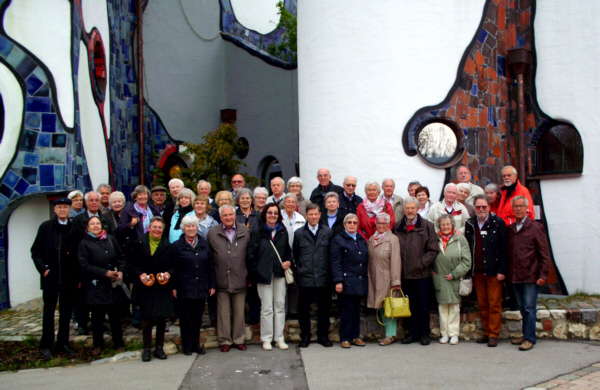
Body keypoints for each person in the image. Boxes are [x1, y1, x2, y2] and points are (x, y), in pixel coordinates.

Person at [31, 197, 78, 360]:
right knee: (49, 312)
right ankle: (46, 345)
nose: (63, 210)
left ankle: (63, 343)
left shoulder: (73, 228)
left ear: (69, 209)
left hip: (68, 278)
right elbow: (35, 252)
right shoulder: (45, 227)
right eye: (60, 207)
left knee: (66, 312)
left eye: (66, 207)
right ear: (55, 210)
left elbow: (78, 254)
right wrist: (43, 269)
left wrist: (76, 276)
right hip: (50, 277)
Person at [128, 217, 176, 361]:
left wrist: (168, 274)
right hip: (145, 286)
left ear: (163, 229)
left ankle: (159, 348)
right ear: (149, 228)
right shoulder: (139, 243)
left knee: (162, 319)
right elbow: (132, 265)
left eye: (160, 227)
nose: (157, 230)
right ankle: (147, 349)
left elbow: (174, 266)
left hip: (162, 286)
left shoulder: (168, 245)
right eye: (154, 227)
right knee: (147, 319)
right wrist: (140, 274)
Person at [247, 203, 294, 351]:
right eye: (270, 213)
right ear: (265, 214)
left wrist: (289, 262)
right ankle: (266, 339)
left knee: (280, 306)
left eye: (275, 213)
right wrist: (257, 271)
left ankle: (279, 338)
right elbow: (251, 255)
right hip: (264, 274)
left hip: (279, 273)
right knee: (266, 308)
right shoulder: (258, 232)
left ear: (278, 216)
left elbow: (288, 252)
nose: (272, 215)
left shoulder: (283, 231)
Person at [393, 197, 439, 346]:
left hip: (421, 274)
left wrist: (421, 264)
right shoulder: (397, 226)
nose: (410, 211)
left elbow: (433, 249)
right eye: (408, 208)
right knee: (409, 306)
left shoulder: (427, 226)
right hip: (405, 274)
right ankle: (412, 333)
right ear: (404, 210)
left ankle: (424, 333)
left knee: (423, 305)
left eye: (413, 208)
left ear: (418, 208)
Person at [78, 216, 126, 356]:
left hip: (112, 286)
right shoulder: (84, 244)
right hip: (95, 286)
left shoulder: (110, 239)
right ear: (87, 227)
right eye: (92, 224)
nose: (95, 226)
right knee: (97, 319)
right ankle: (98, 345)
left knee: (115, 318)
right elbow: (83, 265)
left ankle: (119, 343)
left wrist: (121, 271)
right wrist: (104, 273)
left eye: (97, 223)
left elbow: (122, 257)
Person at [507, 195, 550, 351]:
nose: (518, 209)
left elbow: (544, 253)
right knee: (522, 308)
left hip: (531, 276)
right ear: (512, 209)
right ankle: (525, 335)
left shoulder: (535, 228)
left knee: (530, 307)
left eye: (521, 206)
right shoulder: (511, 229)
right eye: (516, 206)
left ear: (527, 209)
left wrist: (543, 275)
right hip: (516, 276)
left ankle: (530, 338)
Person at [465, 194, 508, 347]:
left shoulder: (498, 223)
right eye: (478, 207)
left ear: (489, 207)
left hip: (494, 271)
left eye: (484, 207)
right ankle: (487, 331)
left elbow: (504, 249)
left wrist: (502, 270)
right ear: (474, 208)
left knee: (494, 304)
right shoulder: (469, 224)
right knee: (482, 304)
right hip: (477, 271)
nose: (481, 209)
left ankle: (494, 334)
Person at [207, 205, 250, 352]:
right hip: (221, 278)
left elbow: (250, 255)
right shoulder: (213, 233)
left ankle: (239, 339)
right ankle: (225, 340)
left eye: (230, 214)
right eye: (225, 215)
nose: (228, 217)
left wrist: (249, 275)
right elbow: (209, 257)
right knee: (223, 313)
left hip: (240, 277)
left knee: (239, 312)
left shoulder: (245, 231)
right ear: (220, 217)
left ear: (235, 215)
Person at [173, 215, 216, 356]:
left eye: (193, 226)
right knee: (185, 318)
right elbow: (172, 268)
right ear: (183, 228)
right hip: (184, 286)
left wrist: (212, 285)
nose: (191, 228)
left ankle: (196, 344)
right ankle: (187, 345)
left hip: (201, 285)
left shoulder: (204, 244)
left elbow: (211, 266)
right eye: (188, 226)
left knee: (198, 318)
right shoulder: (177, 246)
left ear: (197, 227)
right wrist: (173, 287)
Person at [293, 203, 333, 348]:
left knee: (324, 310)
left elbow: (331, 256)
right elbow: (296, 256)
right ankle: (305, 336)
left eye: (316, 214)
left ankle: (323, 336)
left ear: (320, 214)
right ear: (306, 215)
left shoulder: (328, 232)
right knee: (303, 310)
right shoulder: (299, 234)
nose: (314, 217)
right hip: (306, 278)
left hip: (323, 278)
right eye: (311, 214)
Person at [330, 213, 368, 349]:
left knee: (356, 310)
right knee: (347, 310)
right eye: (349, 222)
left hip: (359, 280)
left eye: (354, 222)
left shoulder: (361, 239)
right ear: (345, 225)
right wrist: (338, 281)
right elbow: (335, 262)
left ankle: (355, 336)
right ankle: (345, 337)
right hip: (346, 280)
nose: (352, 225)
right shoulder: (338, 240)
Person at [432, 214, 471, 345]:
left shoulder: (460, 239)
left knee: (454, 306)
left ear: (452, 225)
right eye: (443, 224)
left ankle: (454, 333)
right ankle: (444, 334)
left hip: (454, 278)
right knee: (442, 307)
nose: (446, 227)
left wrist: (455, 274)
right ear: (439, 226)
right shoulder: (434, 239)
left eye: (448, 224)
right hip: (440, 278)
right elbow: (430, 255)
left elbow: (466, 261)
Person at [367, 213, 402, 346]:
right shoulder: (372, 239)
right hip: (375, 279)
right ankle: (387, 334)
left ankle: (390, 335)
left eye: (384, 223)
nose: (381, 225)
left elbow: (396, 261)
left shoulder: (393, 239)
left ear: (388, 225)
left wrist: (395, 281)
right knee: (381, 307)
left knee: (389, 307)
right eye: (379, 223)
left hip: (388, 279)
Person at [280, 193, 305, 319]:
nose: (290, 204)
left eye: (293, 202)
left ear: (296, 205)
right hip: (281, 255)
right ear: (283, 204)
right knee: (282, 285)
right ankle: (282, 311)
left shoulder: (301, 219)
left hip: (296, 255)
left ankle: (292, 310)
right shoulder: (278, 217)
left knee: (294, 284)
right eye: (288, 202)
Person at [118, 185, 161, 249]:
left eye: (144, 194)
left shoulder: (154, 210)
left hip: (153, 244)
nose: (142, 197)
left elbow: (161, 226)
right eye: (140, 194)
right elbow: (120, 231)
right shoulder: (127, 211)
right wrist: (131, 224)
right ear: (135, 197)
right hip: (135, 247)